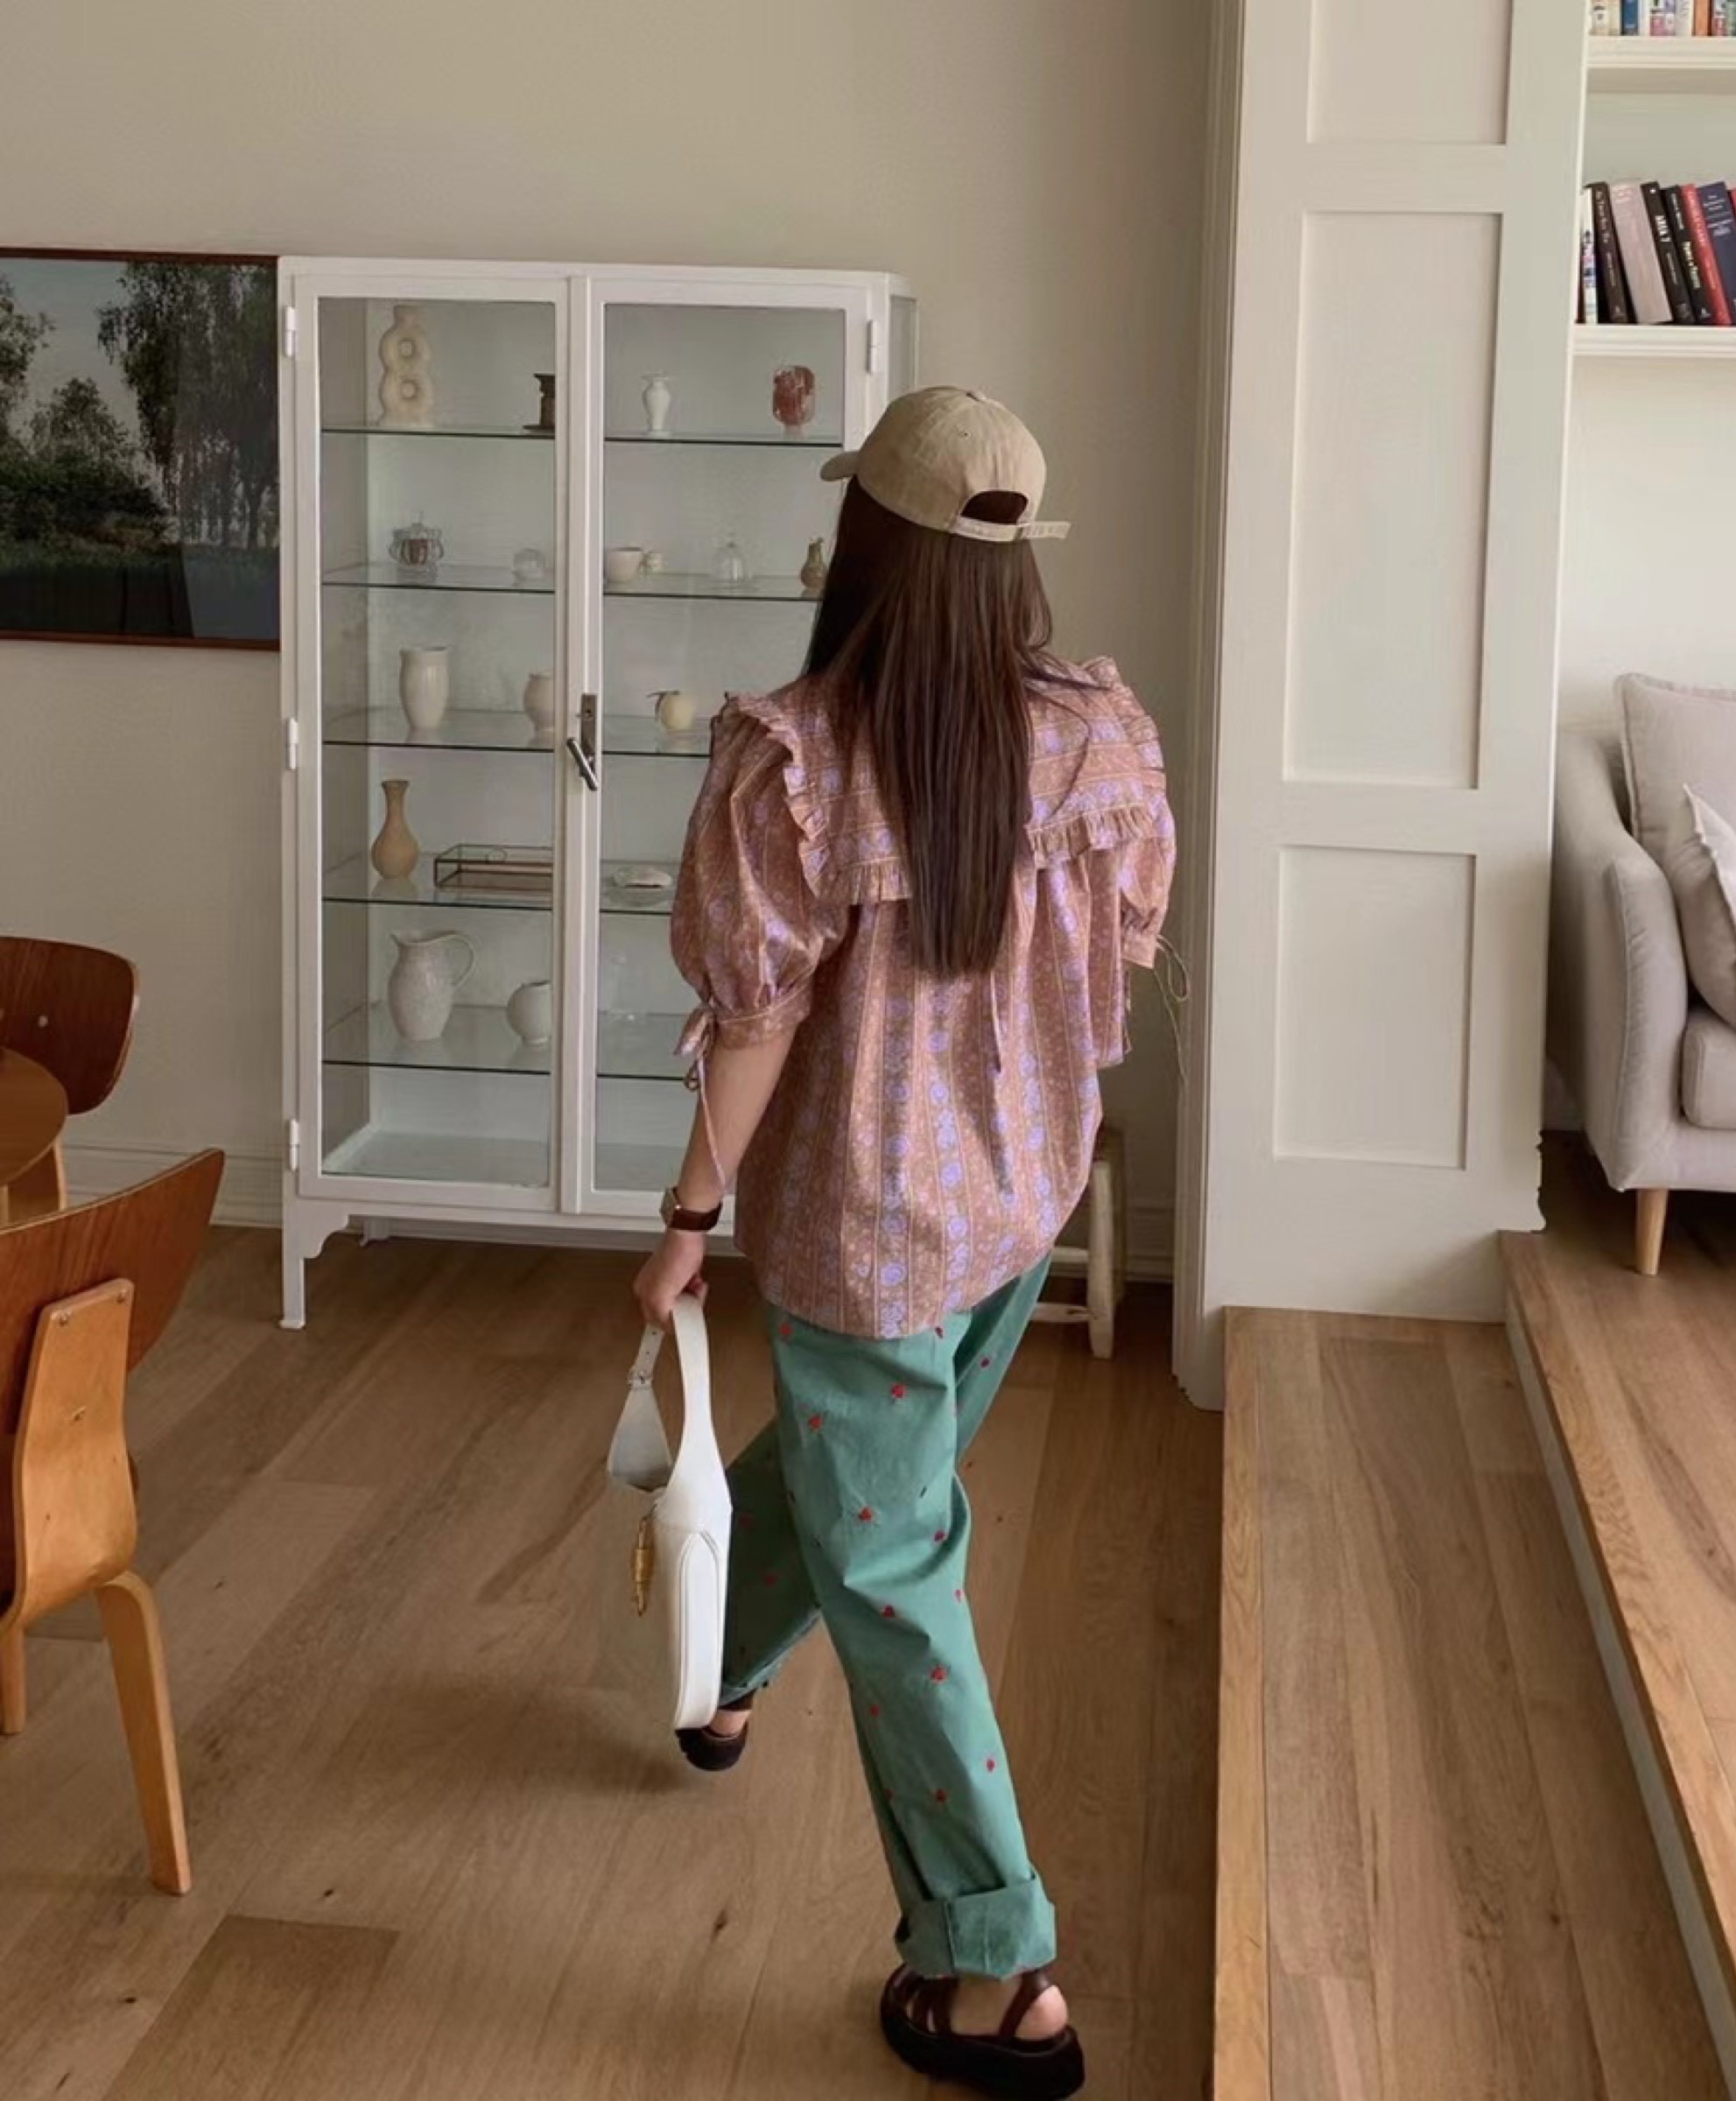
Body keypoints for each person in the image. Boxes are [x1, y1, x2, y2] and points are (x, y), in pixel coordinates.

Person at [632, 385, 1174, 2101]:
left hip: (864, 1231)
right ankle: (718, 1666)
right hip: (1020, 1199)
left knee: (892, 1558)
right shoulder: (1096, 736)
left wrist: (689, 1214)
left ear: (860, 538)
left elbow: (756, 1022)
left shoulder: (796, 762)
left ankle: (996, 1961)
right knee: (877, 1496)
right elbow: (1120, 945)